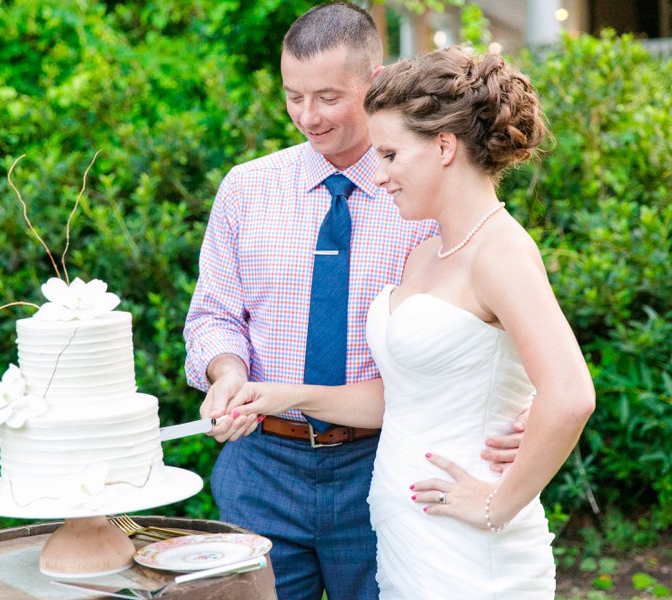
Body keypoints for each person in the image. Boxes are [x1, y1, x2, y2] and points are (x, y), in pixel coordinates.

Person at [183, 4, 527, 599]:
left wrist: (522, 408)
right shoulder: (246, 188)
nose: (307, 117)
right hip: (261, 465)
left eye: (326, 97)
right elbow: (214, 313)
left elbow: (500, 323)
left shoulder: (427, 193)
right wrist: (227, 372)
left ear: (374, 81)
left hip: (387, 462)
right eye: (293, 97)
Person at [230, 46, 596, 598]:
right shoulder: (426, 253)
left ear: (444, 147)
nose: (379, 176)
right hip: (405, 539)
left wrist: (498, 502)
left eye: (392, 155)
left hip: (468, 548)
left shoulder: (501, 252)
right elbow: (398, 396)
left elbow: (569, 396)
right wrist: (275, 395)